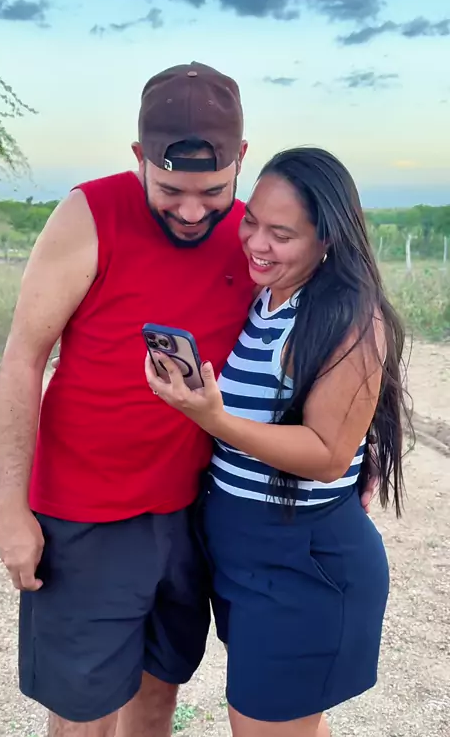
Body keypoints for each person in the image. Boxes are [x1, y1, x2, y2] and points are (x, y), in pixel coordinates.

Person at [0, 62, 376, 737]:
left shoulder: (255, 235)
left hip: (192, 515)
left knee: (157, 697)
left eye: (214, 191)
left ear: (241, 159)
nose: (194, 211)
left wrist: (358, 448)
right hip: (88, 515)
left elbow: (339, 334)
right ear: (138, 156)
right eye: (170, 189)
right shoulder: (88, 216)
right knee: (83, 717)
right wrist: (10, 510)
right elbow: (23, 358)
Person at [145, 146, 410, 737]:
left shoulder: (346, 316)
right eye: (252, 221)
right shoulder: (265, 298)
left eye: (282, 234)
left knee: (264, 723)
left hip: (301, 563)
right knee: (291, 722)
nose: (256, 244)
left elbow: (327, 456)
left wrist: (212, 419)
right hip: (239, 549)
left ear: (328, 238)